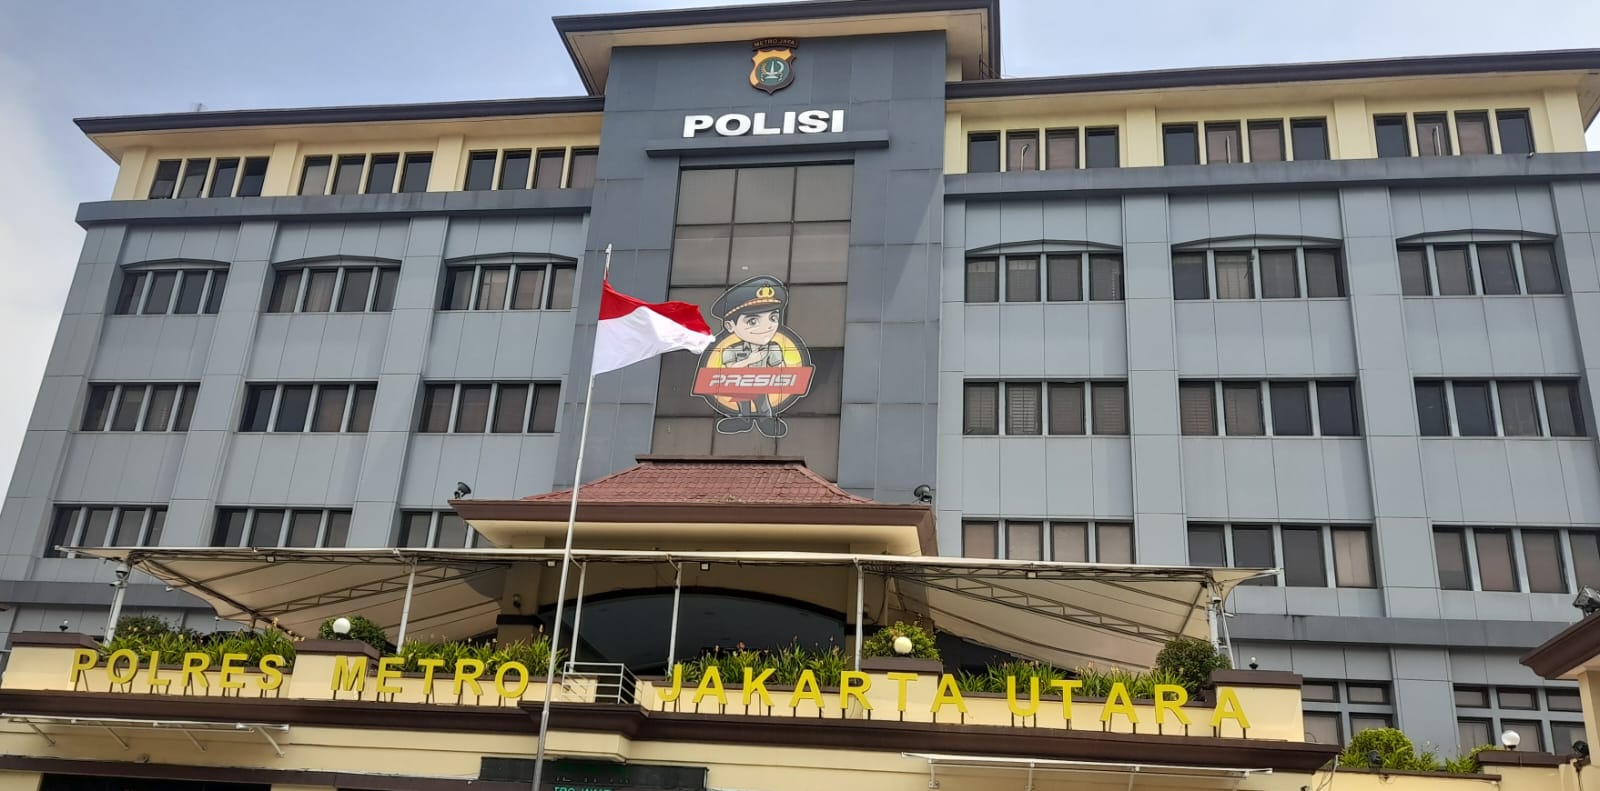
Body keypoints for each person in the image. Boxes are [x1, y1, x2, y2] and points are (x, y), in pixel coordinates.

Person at [710, 276, 790, 438]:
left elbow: (781, 370)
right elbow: (729, 371)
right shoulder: (731, 350)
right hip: (741, 385)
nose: (767, 327)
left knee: (762, 401)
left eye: (773, 318)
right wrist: (750, 360)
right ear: (730, 326)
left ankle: (765, 420)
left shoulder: (773, 348)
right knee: (742, 395)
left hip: (762, 385)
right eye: (752, 321)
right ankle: (744, 419)